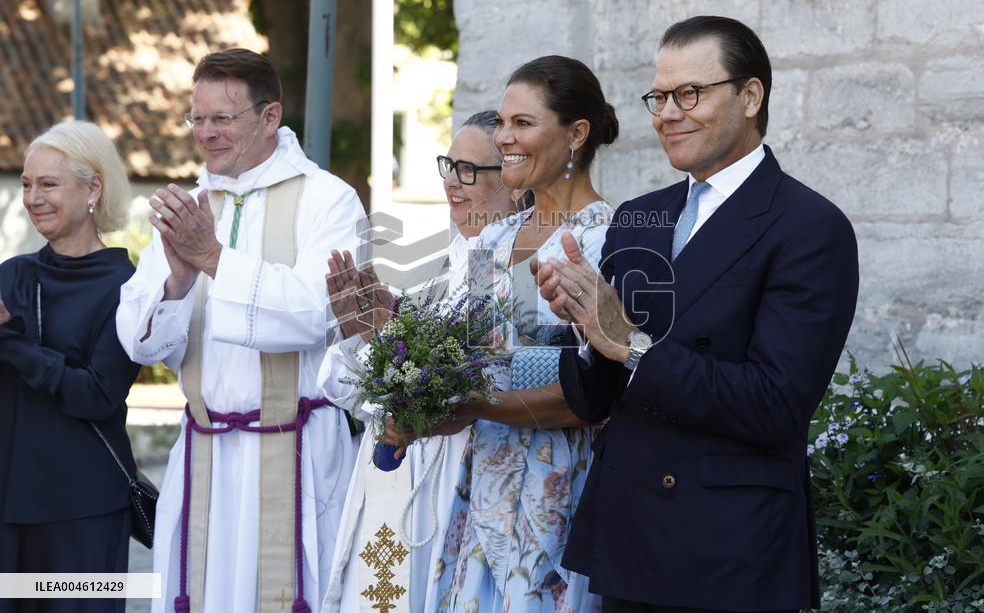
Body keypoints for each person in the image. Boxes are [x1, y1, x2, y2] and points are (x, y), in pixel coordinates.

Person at [536, 16, 860, 612]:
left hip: (728, 551)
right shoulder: (639, 216)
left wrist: (626, 342)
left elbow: (774, 405)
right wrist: (582, 327)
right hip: (630, 538)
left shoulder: (810, 228)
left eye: (690, 94)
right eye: (659, 97)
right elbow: (595, 400)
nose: (667, 114)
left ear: (751, 96)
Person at [115, 49, 367, 612]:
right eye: (197, 117)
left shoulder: (328, 200)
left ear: (270, 116)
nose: (206, 133)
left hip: (295, 453)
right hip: (204, 454)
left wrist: (212, 258)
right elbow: (139, 341)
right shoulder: (186, 203)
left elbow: (313, 312)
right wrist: (177, 282)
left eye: (222, 119)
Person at [408, 55, 615, 612]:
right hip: (482, 490)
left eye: (522, 124)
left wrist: (479, 403)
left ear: (576, 134)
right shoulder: (492, 243)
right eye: (502, 123)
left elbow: (600, 396)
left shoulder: (608, 239)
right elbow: (471, 359)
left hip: (563, 487)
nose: (504, 138)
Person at [319, 110, 520, 612]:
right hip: (400, 481)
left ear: (514, 181)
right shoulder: (433, 267)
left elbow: (473, 386)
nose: (452, 182)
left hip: (469, 476)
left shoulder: (515, 271)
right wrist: (359, 332)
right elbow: (352, 394)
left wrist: (384, 342)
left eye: (469, 170)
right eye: (448, 166)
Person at [0, 121, 139, 613]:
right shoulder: (11, 277)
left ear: (93, 188)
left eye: (49, 184)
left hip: (84, 513)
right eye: (26, 184)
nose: (33, 198)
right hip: (9, 509)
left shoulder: (127, 286)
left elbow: (98, 395)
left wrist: (10, 339)